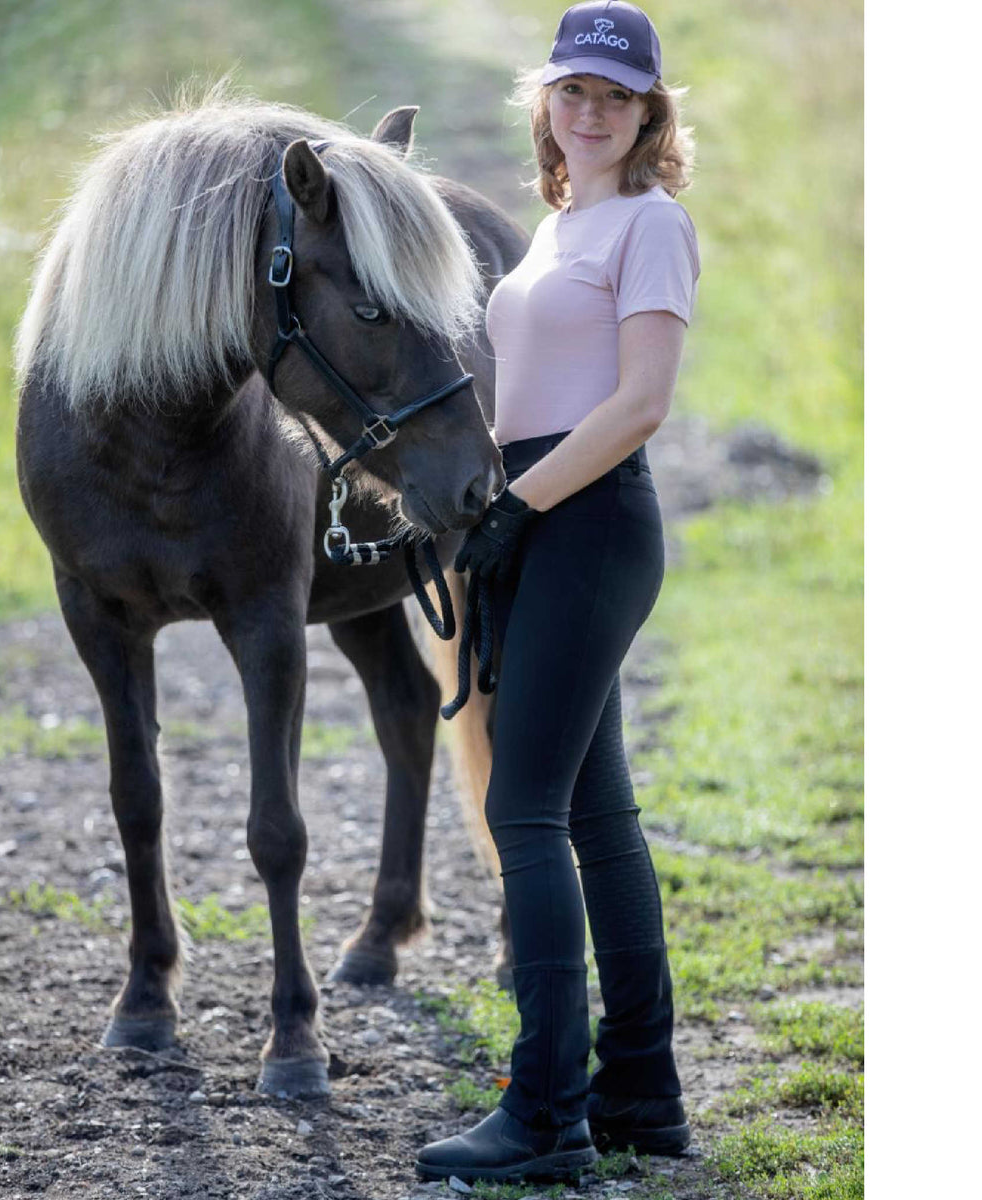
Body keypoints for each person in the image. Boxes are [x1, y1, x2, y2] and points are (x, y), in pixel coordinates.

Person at [416, 1, 700, 1185]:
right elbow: (530, 393)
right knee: (597, 814)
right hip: (539, 518)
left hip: (588, 522)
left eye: (615, 95)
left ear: (648, 114)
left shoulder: (652, 225)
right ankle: (641, 1093)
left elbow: (639, 404)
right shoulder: (558, 227)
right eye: (573, 89)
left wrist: (519, 510)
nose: (590, 111)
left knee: (523, 808)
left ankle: (545, 1114)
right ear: (547, 102)